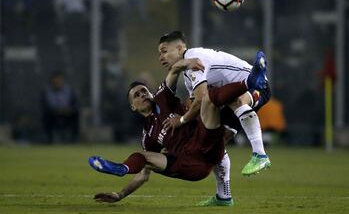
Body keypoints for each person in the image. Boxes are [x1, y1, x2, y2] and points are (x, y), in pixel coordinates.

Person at [88, 57, 267, 204]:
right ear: (133, 107)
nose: (142, 95)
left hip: (205, 143)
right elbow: (144, 176)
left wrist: (186, 62)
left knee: (208, 99)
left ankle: (249, 84)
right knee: (144, 158)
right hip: (188, 165)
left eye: (144, 91)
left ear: (151, 93)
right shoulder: (148, 134)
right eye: (137, 95)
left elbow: (173, 71)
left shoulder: (163, 98)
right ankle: (123, 168)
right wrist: (120, 194)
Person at [157, 31, 271, 177]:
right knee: (216, 141)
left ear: (180, 48)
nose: (161, 57)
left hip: (256, 86)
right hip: (231, 98)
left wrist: (181, 120)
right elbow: (195, 103)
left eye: (164, 51)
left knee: (237, 100)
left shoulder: (193, 59)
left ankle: (260, 155)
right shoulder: (187, 73)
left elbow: (200, 99)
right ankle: (223, 196)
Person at [40, 71, 79, 143]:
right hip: (53, 115)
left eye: (59, 80)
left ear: (62, 80)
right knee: (46, 116)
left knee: (76, 115)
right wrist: (56, 110)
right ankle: (49, 140)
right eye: (55, 80)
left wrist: (69, 109)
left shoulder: (69, 91)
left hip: (67, 114)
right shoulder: (46, 92)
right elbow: (45, 106)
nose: (57, 82)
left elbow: (75, 104)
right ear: (52, 81)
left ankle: (74, 139)